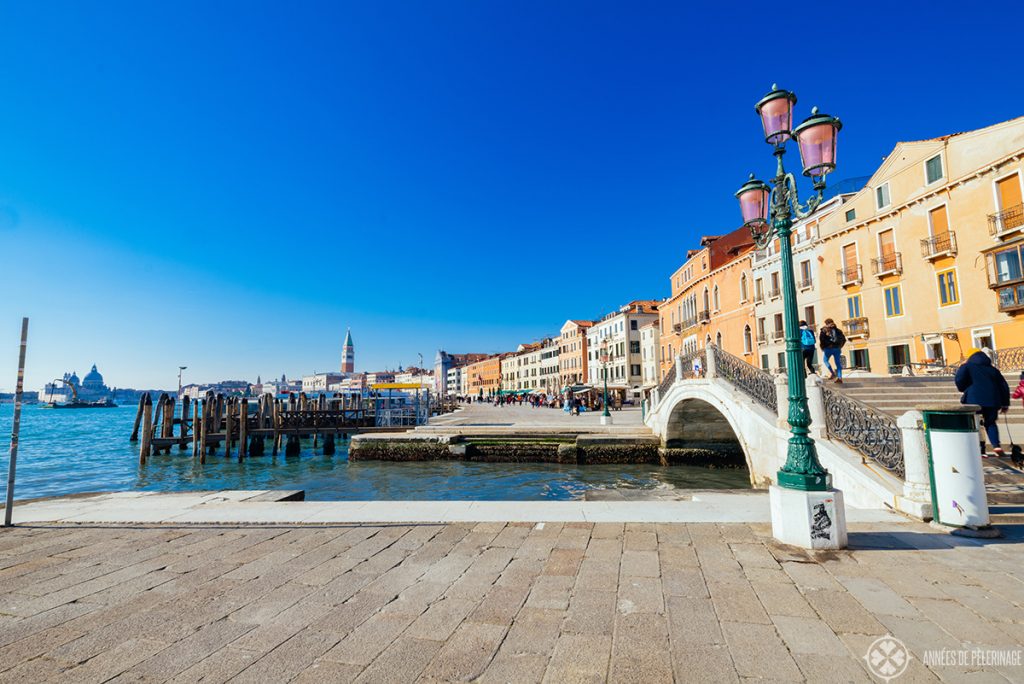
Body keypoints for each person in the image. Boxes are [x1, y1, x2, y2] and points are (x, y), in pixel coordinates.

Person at [955, 348, 1011, 458]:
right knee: (990, 423)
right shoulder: (993, 369)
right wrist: (1005, 403)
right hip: (993, 401)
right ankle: (996, 446)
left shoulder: (968, 366)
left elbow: (959, 379)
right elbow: (1004, 386)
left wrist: (963, 388)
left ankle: (981, 450)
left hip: (973, 400)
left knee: (976, 424)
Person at [818, 319, 846, 383]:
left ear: (826, 324)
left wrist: (823, 347)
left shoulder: (824, 330)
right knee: (838, 363)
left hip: (828, 348)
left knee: (825, 360)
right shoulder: (838, 330)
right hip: (837, 349)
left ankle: (832, 373)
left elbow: (821, 339)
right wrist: (840, 346)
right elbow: (844, 339)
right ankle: (840, 378)